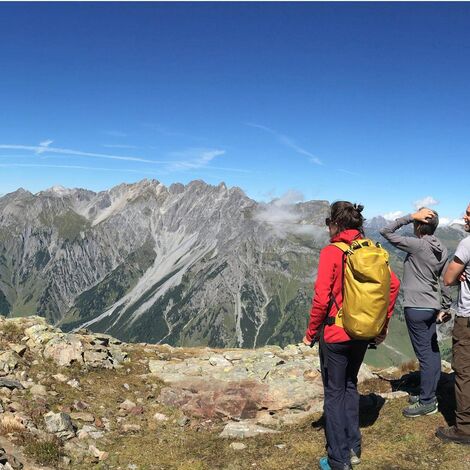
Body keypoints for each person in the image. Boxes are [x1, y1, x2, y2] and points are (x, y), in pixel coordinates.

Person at [303, 201, 400, 470]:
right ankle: (353, 448)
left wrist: (311, 333)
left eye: (328, 224)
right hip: (362, 332)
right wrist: (382, 324)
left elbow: (321, 299)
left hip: (335, 334)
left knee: (333, 393)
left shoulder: (332, 252)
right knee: (349, 386)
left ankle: (338, 459)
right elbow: (393, 285)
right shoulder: (371, 250)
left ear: (335, 224)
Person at [380, 208, 452, 418]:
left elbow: (386, 231)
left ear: (419, 225)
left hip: (416, 306)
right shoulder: (443, 248)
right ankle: (429, 392)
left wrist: (410, 216)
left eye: (416, 221)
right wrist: (446, 306)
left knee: (425, 355)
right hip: (431, 306)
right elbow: (446, 280)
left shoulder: (418, 244)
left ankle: (427, 401)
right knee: (432, 351)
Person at [436, 203, 470, 444]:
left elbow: (448, 279)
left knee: (465, 372)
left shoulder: (467, 244)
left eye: (469, 212)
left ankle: (464, 428)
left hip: (468, 319)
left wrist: (460, 274)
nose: (465, 215)